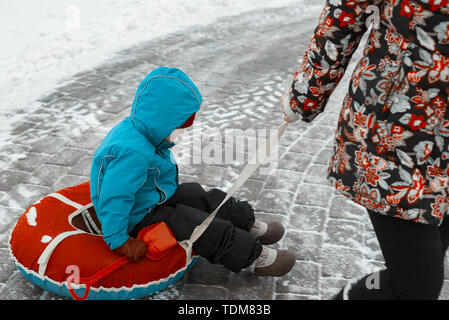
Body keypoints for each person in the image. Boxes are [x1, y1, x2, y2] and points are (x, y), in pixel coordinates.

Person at [282, 0, 449, 299]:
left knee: (425, 265)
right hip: (397, 134)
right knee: (414, 286)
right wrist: (304, 97)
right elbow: (342, 17)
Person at [90, 66, 296, 276]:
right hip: (137, 217)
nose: (177, 135)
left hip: (153, 198)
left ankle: (247, 223)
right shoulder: (132, 153)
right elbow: (115, 197)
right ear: (161, 121)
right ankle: (253, 256)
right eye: (175, 129)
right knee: (192, 222)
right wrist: (118, 240)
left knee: (196, 194)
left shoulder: (144, 132)